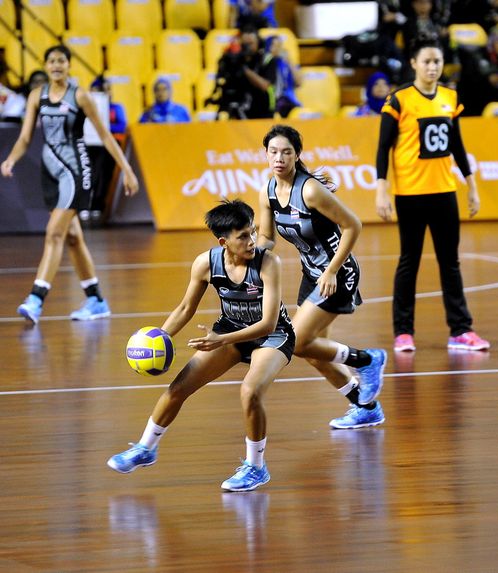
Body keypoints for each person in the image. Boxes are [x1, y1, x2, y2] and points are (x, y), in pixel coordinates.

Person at [108, 199, 294, 492]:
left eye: (253, 232)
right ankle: (146, 448)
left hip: (272, 336)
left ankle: (256, 468)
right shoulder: (206, 263)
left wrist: (221, 340)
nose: (252, 241)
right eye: (243, 236)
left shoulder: (268, 263)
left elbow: (269, 323)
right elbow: (185, 308)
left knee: (250, 390)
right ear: (224, 242)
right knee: (179, 388)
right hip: (230, 330)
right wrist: (160, 337)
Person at [258, 124, 387, 430]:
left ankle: (368, 360)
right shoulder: (267, 191)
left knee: (298, 342)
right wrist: (247, 259)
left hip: (338, 274)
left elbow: (353, 225)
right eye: (273, 152)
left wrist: (331, 270)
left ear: (296, 155)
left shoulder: (310, 190)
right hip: (312, 275)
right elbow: (266, 237)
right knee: (316, 355)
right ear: (265, 154)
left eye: (286, 152)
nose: (279, 157)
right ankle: (365, 407)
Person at [1, 45, 138, 324]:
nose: (56, 66)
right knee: (73, 238)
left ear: (69, 65)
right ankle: (97, 300)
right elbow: (26, 137)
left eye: (61, 61)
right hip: (50, 174)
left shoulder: (80, 96)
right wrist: (11, 160)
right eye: (51, 61)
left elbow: (106, 136)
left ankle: (36, 299)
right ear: (46, 65)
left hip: (75, 173)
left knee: (54, 234)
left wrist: (127, 170)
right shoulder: (37, 97)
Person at [375, 35, 490, 353]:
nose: (432, 66)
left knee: (450, 262)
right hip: (411, 194)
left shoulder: (450, 98)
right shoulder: (399, 100)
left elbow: (458, 147)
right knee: (408, 262)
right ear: (413, 63)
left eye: (437, 61)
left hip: (444, 192)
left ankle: (461, 330)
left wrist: (472, 186)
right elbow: (383, 148)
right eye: (426, 61)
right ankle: (403, 332)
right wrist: (381, 190)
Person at [85, 75, 128, 222]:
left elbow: (122, 125)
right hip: (89, 144)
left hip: (108, 145)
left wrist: (103, 127)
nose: (105, 92)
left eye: (108, 89)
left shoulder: (116, 108)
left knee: (103, 174)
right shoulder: (86, 106)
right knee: (89, 172)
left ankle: (98, 203)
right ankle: (86, 203)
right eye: (99, 89)